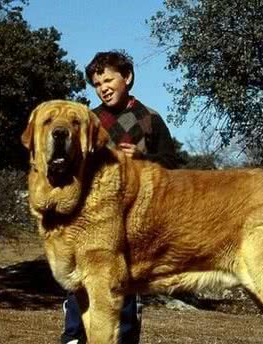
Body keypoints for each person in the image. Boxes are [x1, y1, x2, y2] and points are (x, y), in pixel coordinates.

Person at [60, 50, 178, 344]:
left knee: (123, 284)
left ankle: (124, 338)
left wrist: (143, 158)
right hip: (92, 219)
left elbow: (172, 164)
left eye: (109, 80)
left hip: (134, 219)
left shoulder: (149, 119)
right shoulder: (90, 120)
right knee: (82, 280)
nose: (103, 88)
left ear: (127, 77)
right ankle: (74, 337)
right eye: (97, 84)